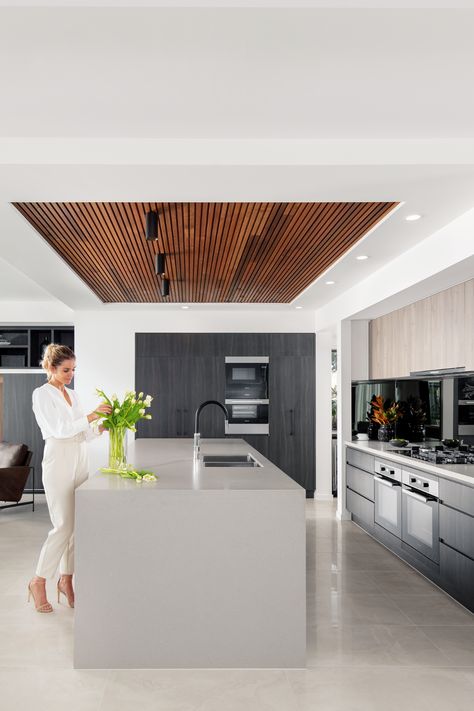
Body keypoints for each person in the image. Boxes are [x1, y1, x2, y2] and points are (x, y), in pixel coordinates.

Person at [27, 344, 112, 613]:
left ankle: (66, 580)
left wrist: (101, 426)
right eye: (66, 370)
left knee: (77, 527)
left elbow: (82, 433)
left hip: (80, 457)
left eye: (73, 370)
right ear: (51, 368)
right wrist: (91, 415)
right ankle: (38, 581)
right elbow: (59, 430)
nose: (70, 374)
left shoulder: (73, 395)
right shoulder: (41, 395)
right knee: (63, 525)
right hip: (58, 459)